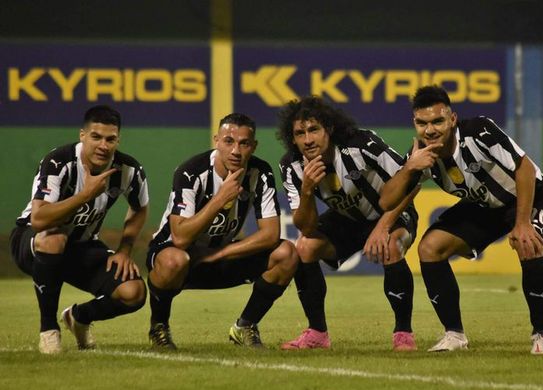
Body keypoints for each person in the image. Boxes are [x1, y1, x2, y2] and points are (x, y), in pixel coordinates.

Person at [380, 85, 543, 354]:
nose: (430, 130)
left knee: (527, 243)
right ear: (414, 124)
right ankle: (454, 335)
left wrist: (522, 223)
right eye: (422, 123)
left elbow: (525, 169)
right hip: (483, 207)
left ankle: (542, 336)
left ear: (452, 119)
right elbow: (386, 201)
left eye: (438, 121)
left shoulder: (479, 132)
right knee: (430, 248)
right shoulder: (420, 155)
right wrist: (409, 169)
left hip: (527, 197)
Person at [277, 96, 419, 351]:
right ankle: (317, 333)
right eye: (300, 133)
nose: (308, 139)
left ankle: (403, 334)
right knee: (305, 247)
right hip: (348, 220)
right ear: (293, 138)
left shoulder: (361, 144)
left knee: (391, 246)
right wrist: (307, 190)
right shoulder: (292, 166)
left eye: (313, 130)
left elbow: (410, 179)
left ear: (328, 129)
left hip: (391, 214)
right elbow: (306, 227)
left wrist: (382, 227)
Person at [146, 113, 298, 349]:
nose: (236, 151)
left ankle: (245, 326)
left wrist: (221, 254)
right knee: (173, 261)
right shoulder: (190, 172)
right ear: (216, 140)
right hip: (179, 255)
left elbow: (270, 234)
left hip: (220, 253)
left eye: (244, 143)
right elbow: (180, 237)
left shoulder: (260, 173)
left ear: (253, 146)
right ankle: (159, 326)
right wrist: (220, 199)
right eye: (229, 141)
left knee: (286, 253)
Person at [9, 105, 149, 354]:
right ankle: (49, 330)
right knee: (54, 239)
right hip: (33, 241)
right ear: (82, 135)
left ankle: (79, 317)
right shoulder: (58, 162)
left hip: (82, 246)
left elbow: (140, 209)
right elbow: (40, 219)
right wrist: (85, 195)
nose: (103, 145)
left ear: (118, 140)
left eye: (110, 139)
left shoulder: (128, 171)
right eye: (96, 137)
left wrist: (125, 249)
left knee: (134, 292)